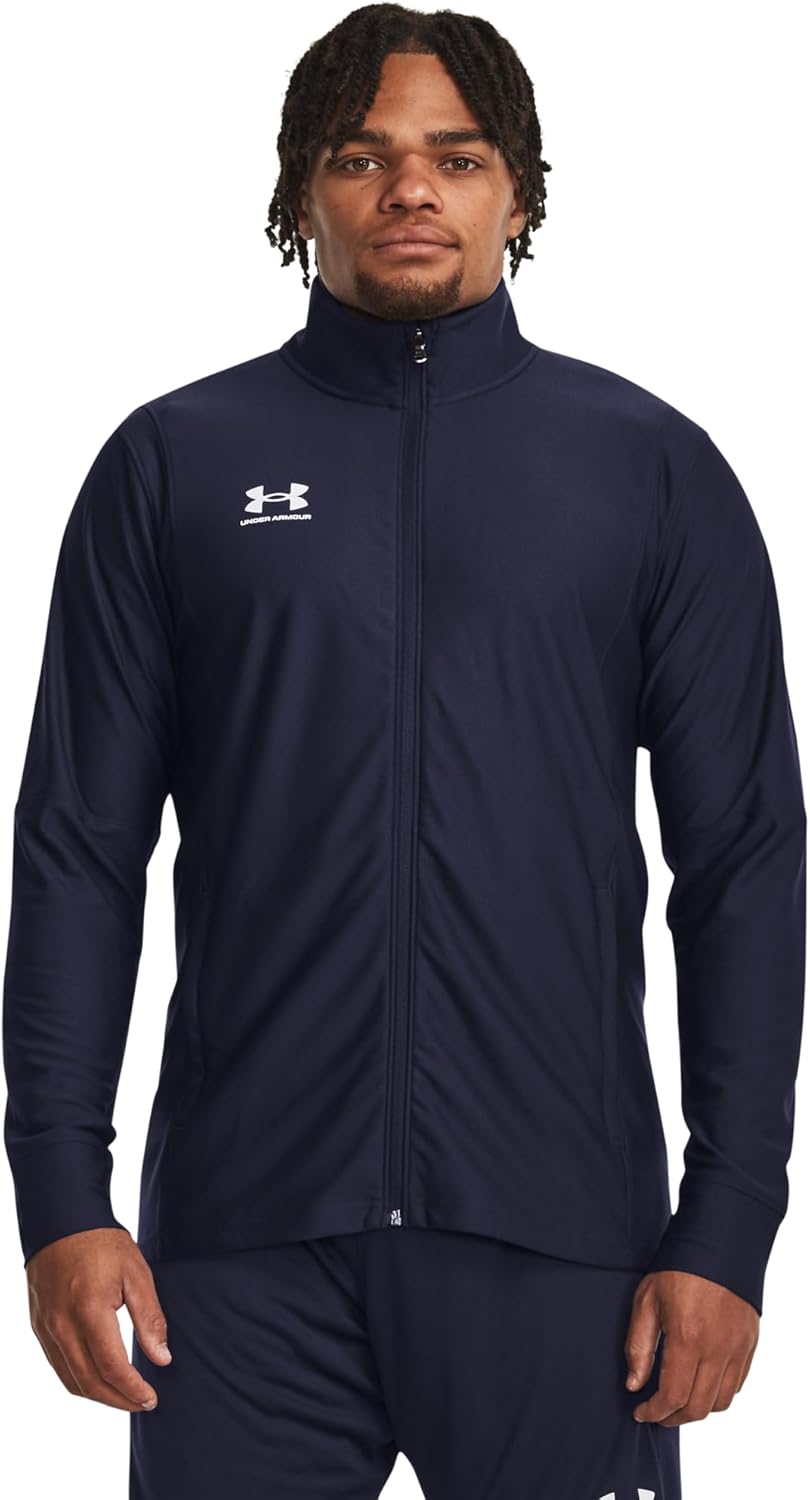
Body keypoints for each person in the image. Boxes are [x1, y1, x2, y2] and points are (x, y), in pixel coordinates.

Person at [2, 5, 805, 1498]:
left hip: (564, 1247)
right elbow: (78, 853)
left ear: (521, 193)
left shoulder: (649, 470)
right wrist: (61, 1194)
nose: (411, 187)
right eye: (361, 155)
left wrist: (728, 1227)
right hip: (239, 1250)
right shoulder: (174, 465)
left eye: (458, 155)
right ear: (301, 190)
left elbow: (744, 861)